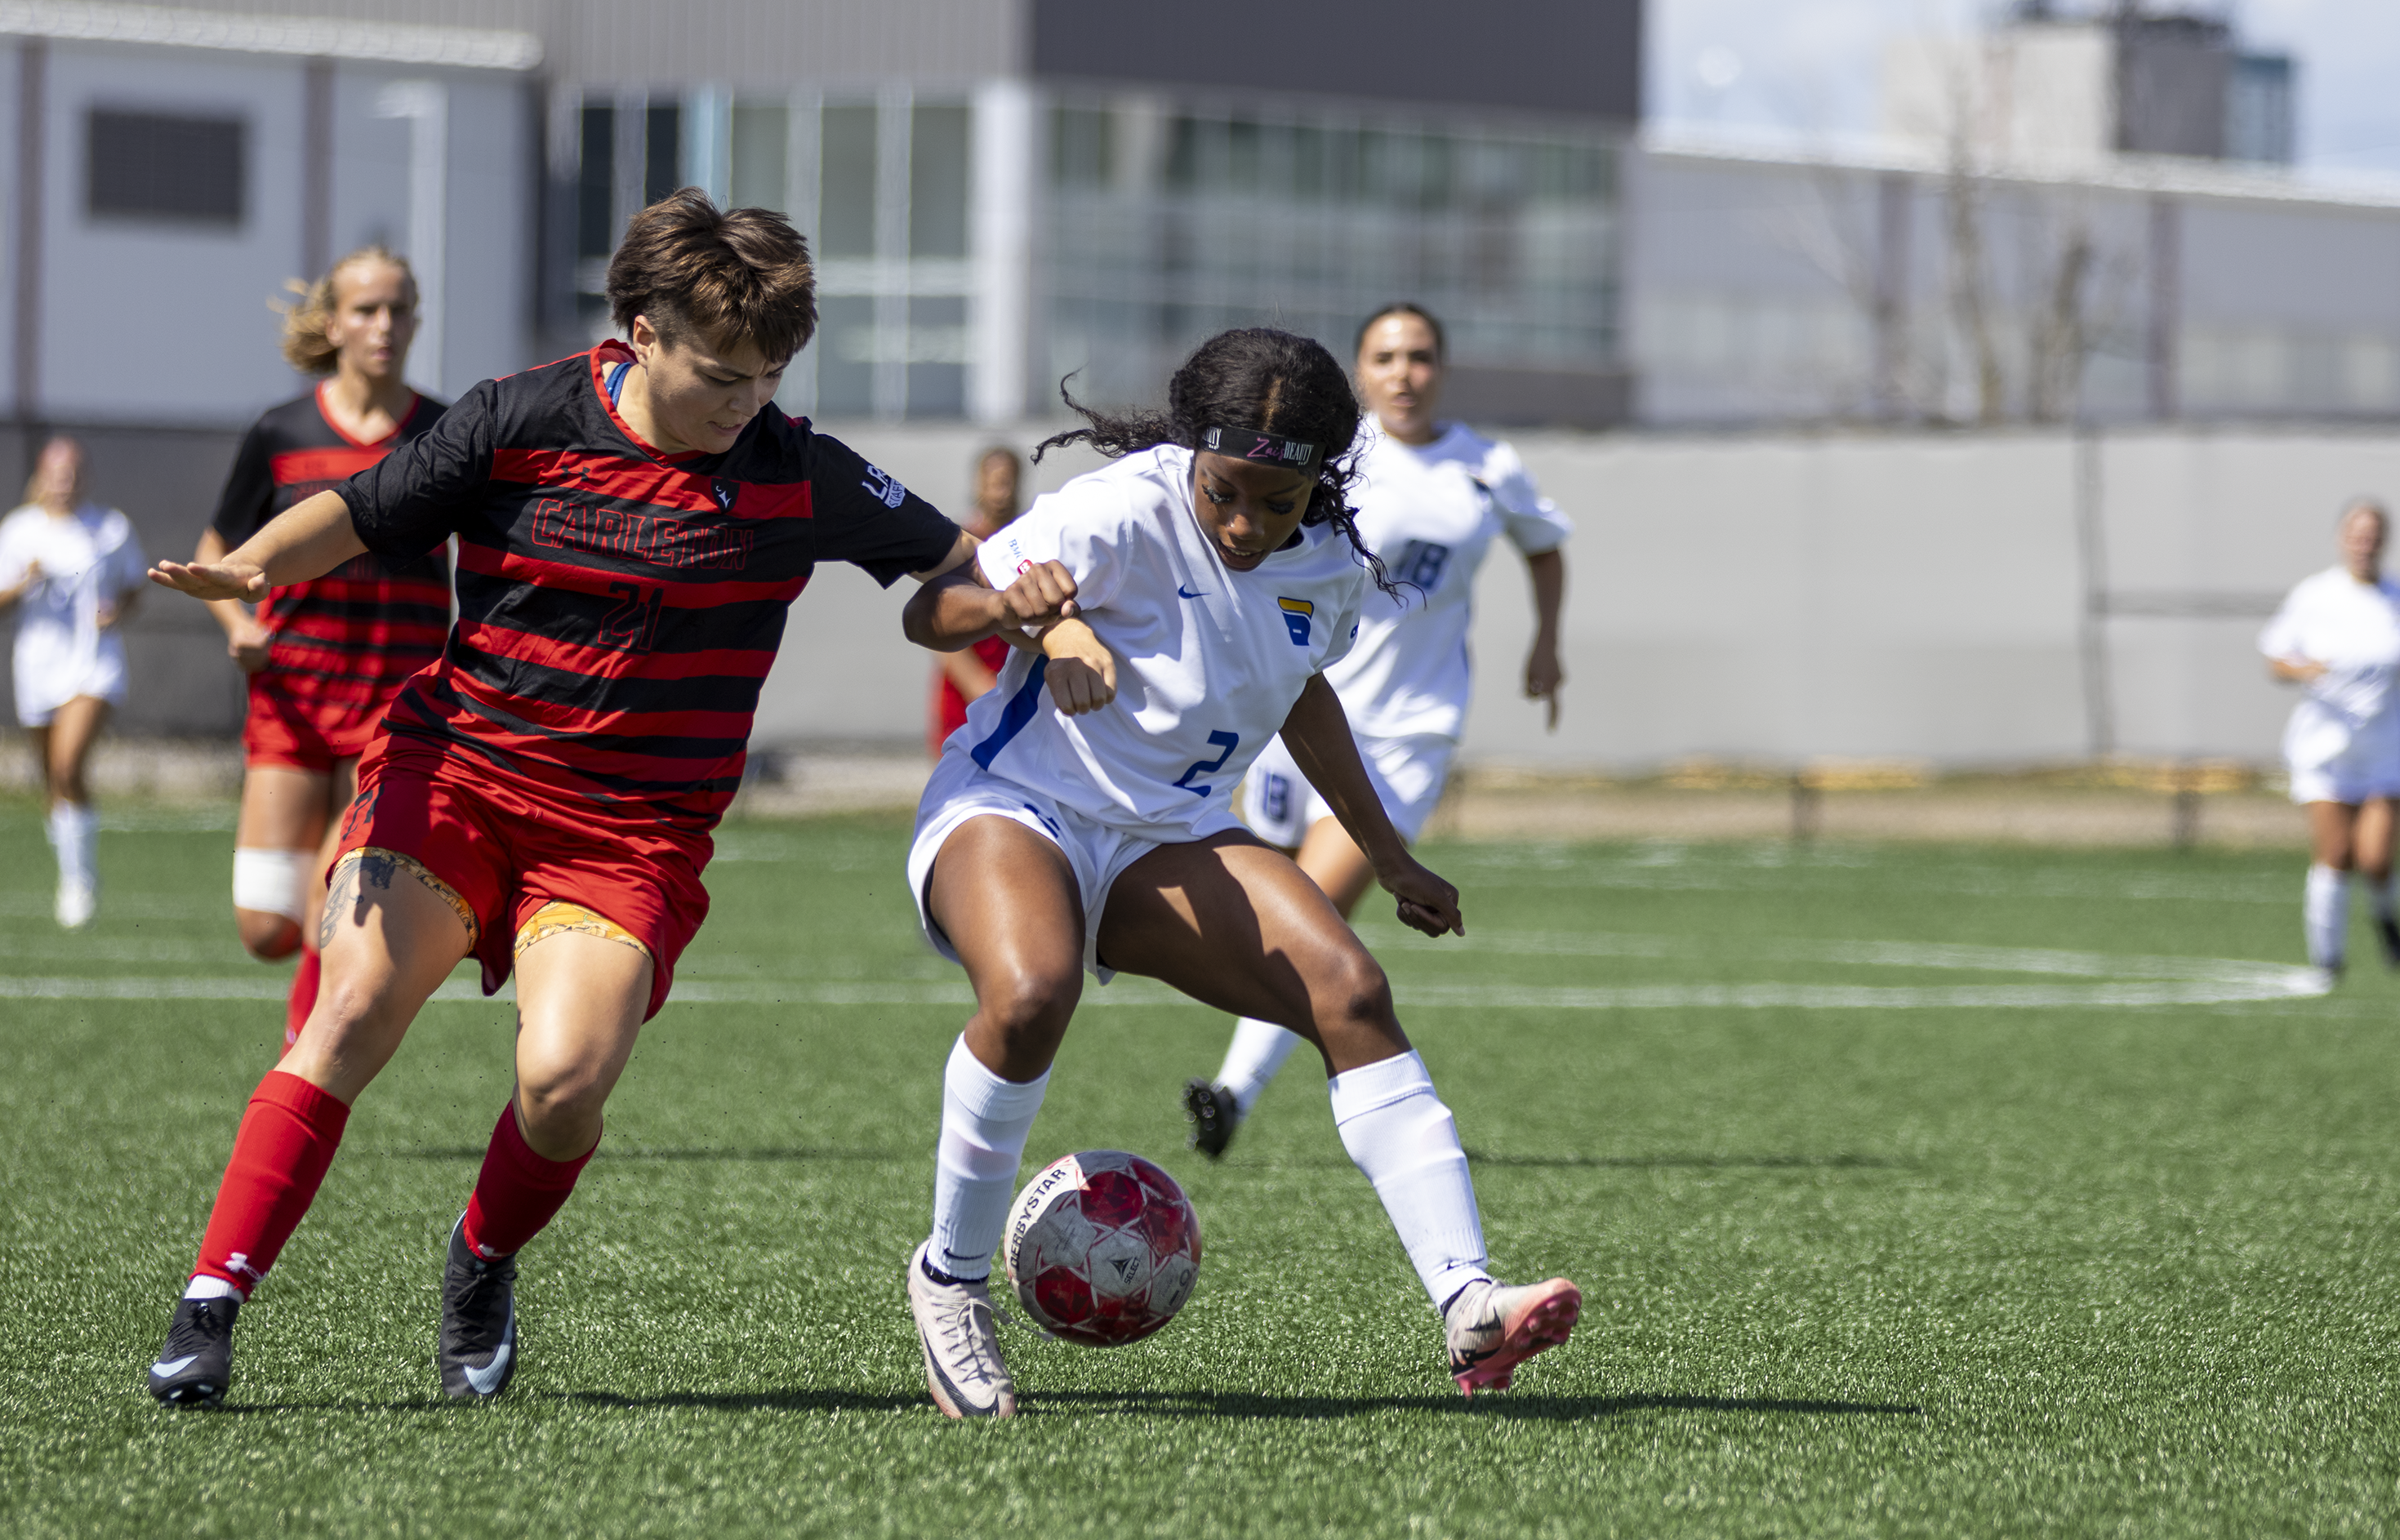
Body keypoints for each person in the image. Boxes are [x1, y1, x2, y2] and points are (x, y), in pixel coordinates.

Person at [139, 188, 975, 1408]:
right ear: (641, 333)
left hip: (628, 833)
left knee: (565, 1083)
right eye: (722, 376)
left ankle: (481, 1257)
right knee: (350, 1006)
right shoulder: (519, 417)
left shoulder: (799, 471)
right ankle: (211, 1301)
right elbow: (364, 512)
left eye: (770, 376)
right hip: (459, 774)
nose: (748, 402)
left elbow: (955, 567)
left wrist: (1035, 619)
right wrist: (253, 566)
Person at [897, 327, 1581, 1420]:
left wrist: (1389, 854)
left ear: (1321, 480)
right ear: (1191, 455)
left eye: (1279, 500)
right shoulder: (1117, 510)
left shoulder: (1330, 563)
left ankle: (1470, 1305)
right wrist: (1025, 613)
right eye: (1225, 494)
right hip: (1015, 804)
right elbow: (930, 608)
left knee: (1350, 990)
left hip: (1165, 834)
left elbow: (1303, 693)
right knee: (1031, 993)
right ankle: (951, 1282)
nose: (1247, 525)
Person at [1183, 303, 1571, 1158]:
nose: (1405, 373)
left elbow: (1544, 547)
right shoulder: (1333, 460)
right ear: (1360, 370)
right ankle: (1250, 1083)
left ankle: (1233, 1094)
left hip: (1409, 733)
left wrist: (1547, 641)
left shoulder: (1487, 465)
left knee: (1316, 906)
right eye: (1387, 356)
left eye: (1420, 356)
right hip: (1299, 711)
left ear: (1442, 367)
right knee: (1266, 908)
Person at [193, 247, 451, 1052]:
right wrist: (240, 626)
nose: (384, 325)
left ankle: (298, 1060)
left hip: (398, 705)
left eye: (399, 308)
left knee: (328, 898)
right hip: (294, 695)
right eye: (367, 309)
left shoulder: (446, 434)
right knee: (265, 926)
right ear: (333, 323)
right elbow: (218, 546)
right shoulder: (280, 431)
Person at [0, 437, 145, 928]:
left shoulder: (111, 528)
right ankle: (72, 866)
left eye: (72, 472)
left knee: (68, 765)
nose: (64, 481)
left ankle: (78, 881)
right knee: (53, 777)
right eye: (56, 472)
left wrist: (116, 610)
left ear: (84, 476)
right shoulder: (19, 528)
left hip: (94, 665)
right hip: (37, 668)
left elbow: (134, 586)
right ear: (42, 475)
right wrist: (23, 581)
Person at [2260, 499, 2400, 974]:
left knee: (2376, 858)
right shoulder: (2316, 595)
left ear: (2384, 541)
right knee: (2336, 854)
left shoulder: (2394, 598)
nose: (2365, 543)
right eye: (2357, 534)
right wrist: (2306, 669)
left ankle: (2386, 920)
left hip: (2384, 749)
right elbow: (2276, 658)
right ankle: (2328, 962)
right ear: (2342, 538)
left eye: (2373, 535)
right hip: (2326, 750)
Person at [927, 446, 1024, 759]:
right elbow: (939, 625)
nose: (1000, 492)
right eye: (993, 482)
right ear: (978, 484)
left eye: (1006, 482)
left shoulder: (1027, 544)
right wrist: (981, 688)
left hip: (1014, 684)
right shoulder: (959, 545)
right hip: (968, 693)